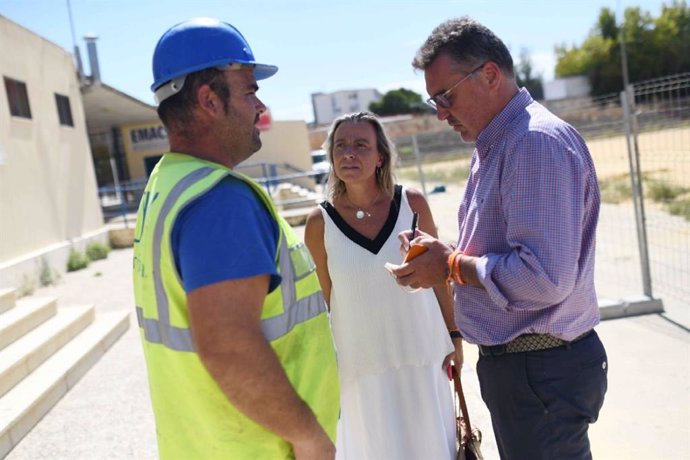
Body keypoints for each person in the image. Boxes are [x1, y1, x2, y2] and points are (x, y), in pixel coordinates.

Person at [389, 17, 608, 460]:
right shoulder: (500, 143)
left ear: (489, 74)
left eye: (445, 97)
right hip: (531, 371)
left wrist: (449, 266)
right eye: (434, 100)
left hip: (539, 371)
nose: (441, 113)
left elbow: (543, 278)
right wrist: (444, 255)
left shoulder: (531, 144)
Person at [132, 18, 339, 459]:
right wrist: (309, 437)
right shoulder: (219, 202)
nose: (260, 108)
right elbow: (229, 348)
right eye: (249, 91)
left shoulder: (166, 185)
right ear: (209, 100)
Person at [304, 112, 461, 460]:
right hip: (361, 369)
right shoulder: (319, 223)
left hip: (422, 356)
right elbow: (327, 304)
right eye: (340, 146)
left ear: (380, 157)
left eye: (361, 145)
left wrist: (455, 338)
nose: (349, 154)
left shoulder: (412, 205)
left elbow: (439, 280)